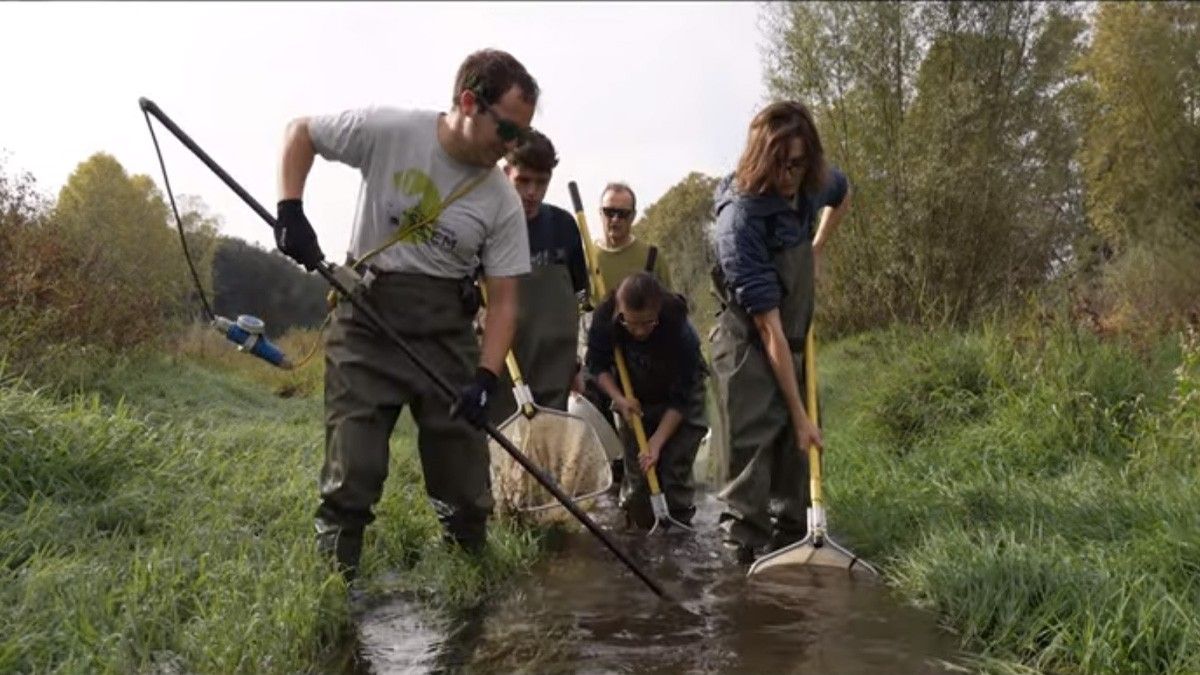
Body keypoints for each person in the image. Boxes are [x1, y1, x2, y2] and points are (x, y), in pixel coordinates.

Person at [273, 48, 539, 582]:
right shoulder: (389, 130)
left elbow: (505, 299)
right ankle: (333, 594)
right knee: (354, 474)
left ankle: (470, 595)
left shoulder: (501, 201)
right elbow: (300, 132)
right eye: (507, 131)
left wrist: (486, 378)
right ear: (469, 102)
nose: (512, 148)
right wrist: (290, 210)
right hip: (367, 323)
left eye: (522, 137)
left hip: (447, 335)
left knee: (465, 486)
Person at [709, 100, 852, 564]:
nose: (789, 175)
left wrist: (816, 247)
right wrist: (799, 413)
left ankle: (794, 546)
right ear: (761, 159)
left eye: (798, 164)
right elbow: (767, 328)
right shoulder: (740, 221)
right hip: (749, 346)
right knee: (749, 471)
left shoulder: (812, 184)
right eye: (781, 165)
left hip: (794, 343)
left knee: (798, 466)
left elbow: (842, 192)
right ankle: (740, 571)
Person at [586, 272, 708, 528]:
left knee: (674, 472)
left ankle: (678, 532)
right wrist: (619, 398)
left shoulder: (678, 326)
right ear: (621, 311)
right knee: (639, 479)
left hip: (679, 398)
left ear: (658, 310)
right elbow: (596, 366)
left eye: (647, 323)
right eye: (632, 323)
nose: (639, 331)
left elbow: (683, 395)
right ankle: (639, 532)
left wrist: (657, 441)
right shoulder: (605, 318)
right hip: (634, 397)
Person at [486, 130, 590, 426]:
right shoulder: (485, 229)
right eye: (523, 181)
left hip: (555, 374)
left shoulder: (564, 227)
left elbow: (579, 300)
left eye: (541, 182)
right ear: (506, 173)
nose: (532, 192)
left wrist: (575, 366)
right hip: (502, 374)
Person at [592, 182, 672, 292]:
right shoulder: (585, 259)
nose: (615, 219)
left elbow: (671, 306)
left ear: (633, 216)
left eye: (623, 213)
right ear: (600, 213)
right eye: (609, 212)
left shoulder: (653, 258)